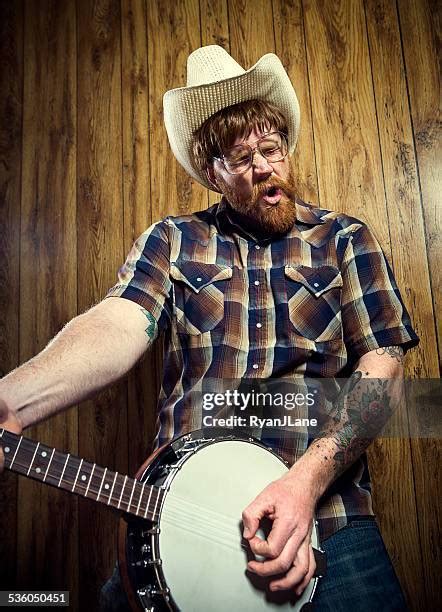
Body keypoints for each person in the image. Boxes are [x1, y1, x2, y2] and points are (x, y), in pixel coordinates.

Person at [0, 45, 419, 611]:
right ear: (212, 172)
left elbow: (385, 371)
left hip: (330, 520)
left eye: (272, 149)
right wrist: (13, 401)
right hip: (185, 522)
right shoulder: (173, 240)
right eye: (242, 158)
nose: (265, 167)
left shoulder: (344, 239)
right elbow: (119, 323)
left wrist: (303, 487)